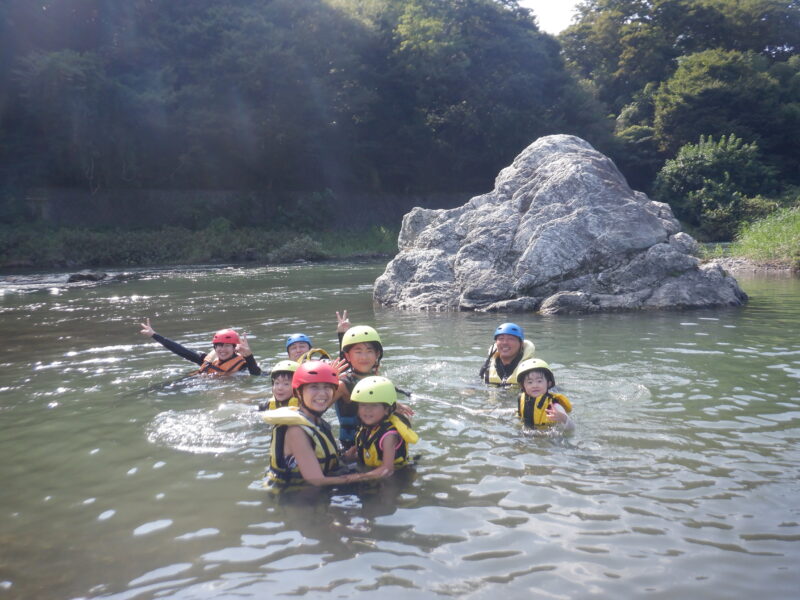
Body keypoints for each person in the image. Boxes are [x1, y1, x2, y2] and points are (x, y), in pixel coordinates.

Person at [262, 361, 389, 487]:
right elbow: (316, 480)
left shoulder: (316, 421)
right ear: (299, 393)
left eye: (327, 387)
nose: (322, 393)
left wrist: (345, 458)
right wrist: (370, 475)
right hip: (298, 498)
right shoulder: (296, 430)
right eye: (314, 387)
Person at [344, 376, 418, 477]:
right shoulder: (366, 427)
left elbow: (387, 469)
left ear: (387, 409)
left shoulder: (389, 436)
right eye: (363, 405)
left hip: (396, 476)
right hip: (372, 470)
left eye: (374, 405)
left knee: (386, 490)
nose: (367, 410)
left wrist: (353, 478)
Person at [138, 318, 261, 375]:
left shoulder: (243, 366)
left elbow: (257, 375)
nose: (222, 350)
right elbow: (180, 350)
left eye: (227, 346)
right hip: (195, 382)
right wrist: (154, 335)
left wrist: (249, 356)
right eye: (219, 346)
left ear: (235, 348)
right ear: (214, 347)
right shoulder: (207, 360)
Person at [331, 323, 384, 450]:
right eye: (358, 352)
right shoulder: (343, 384)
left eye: (369, 351)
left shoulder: (376, 377)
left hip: (376, 442)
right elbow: (315, 409)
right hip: (351, 448)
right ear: (348, 356)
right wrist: (328, 381)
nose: (364, 357)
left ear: (377, 354)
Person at [515, 358, 573, 431]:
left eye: (539, 381)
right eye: (530, 382)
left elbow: (572, 428)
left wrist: (563, 418)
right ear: (523, 386)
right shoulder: (522, 400)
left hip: (549, 437)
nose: (535, 385)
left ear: (549, 383)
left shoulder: (554, 407)